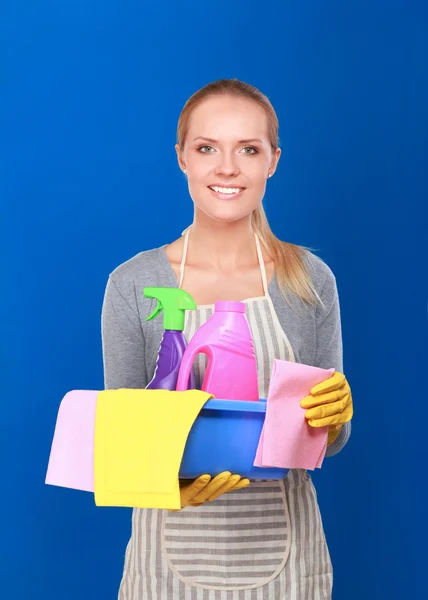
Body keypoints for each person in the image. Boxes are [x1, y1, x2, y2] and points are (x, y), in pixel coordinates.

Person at [101, 78, 353, 600]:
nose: (227, 168)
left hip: (288, 566)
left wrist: (338, 415)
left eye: (249, 149)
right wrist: (170, 486)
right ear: (182, 159)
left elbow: (327, 442)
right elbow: (121, 446)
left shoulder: (309, 280)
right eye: (207, 148)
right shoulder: (134, 283)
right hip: (165, 566)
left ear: (273, 161)